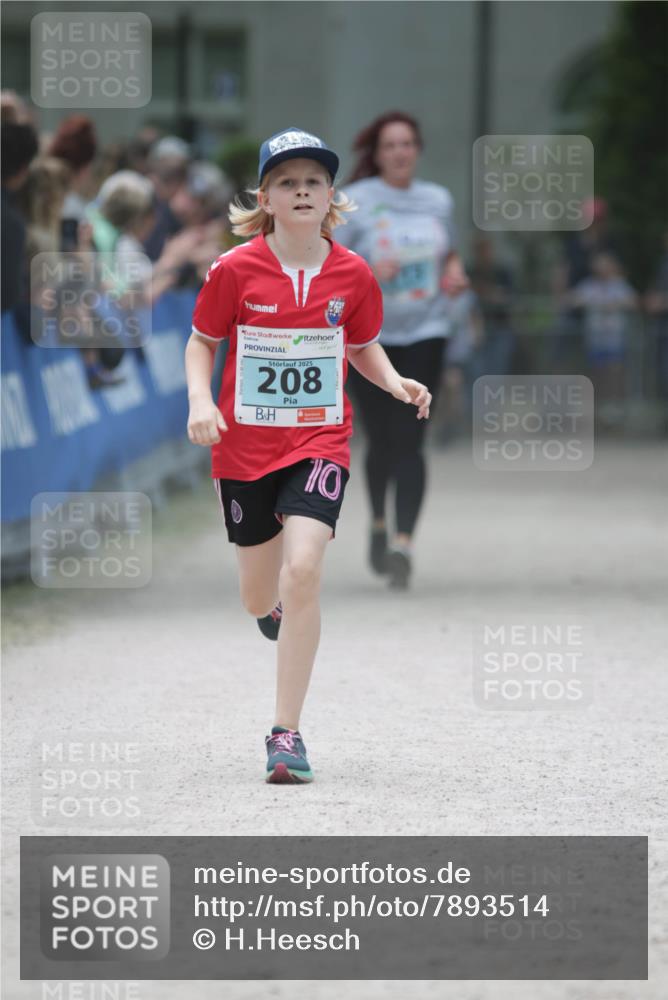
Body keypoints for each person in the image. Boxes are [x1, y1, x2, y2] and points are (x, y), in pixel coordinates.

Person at [184, 127, 431, 783]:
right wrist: (200, 403)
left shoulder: (350, 272)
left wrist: (395, 380)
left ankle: (285, 734)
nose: (302, 191)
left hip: (319, 443)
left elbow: (361, 346)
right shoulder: (235, 269)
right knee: (257, 594)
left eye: (314, 182)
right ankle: (269, 609)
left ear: (330, 198)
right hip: (243, 450)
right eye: (287, 182)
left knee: (304, 572)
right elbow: (201, 342)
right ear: (265, 197)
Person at [335, 111, 467, 588]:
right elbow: (332, 260)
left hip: (427, 330)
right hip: (370, 339)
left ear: (418, 149)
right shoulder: (357, 201)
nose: (400, 152)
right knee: (382, 440)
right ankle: (377, 524)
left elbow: (450, 253)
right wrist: (369, 268)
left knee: (411, 440)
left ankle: (403, 543)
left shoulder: (437, 200)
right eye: (391, 145)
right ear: (378, 152)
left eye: (408, 143)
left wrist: (453, 275)